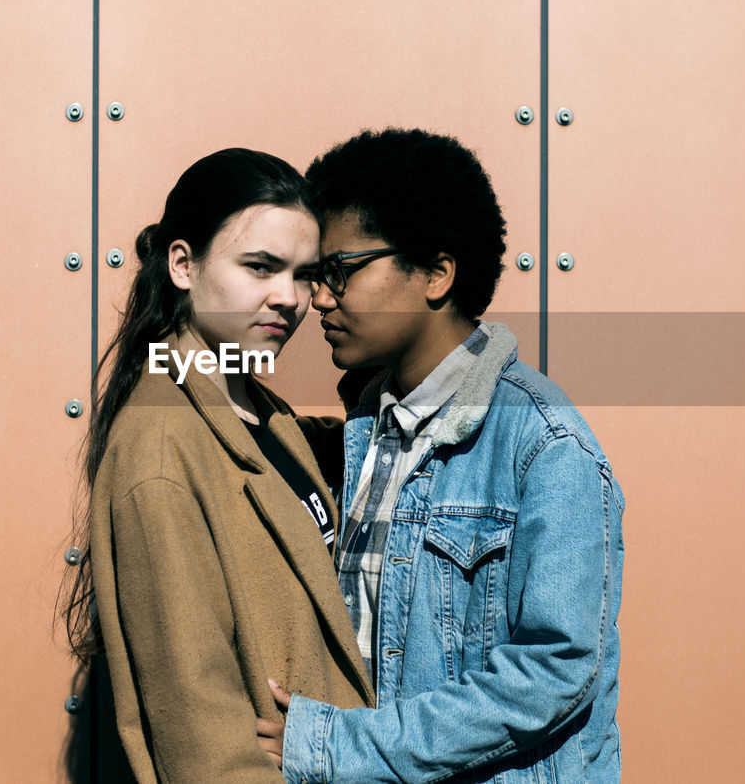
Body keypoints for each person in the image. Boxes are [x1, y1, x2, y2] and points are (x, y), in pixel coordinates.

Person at [257, 128, 625, 782]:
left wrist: (333, 745)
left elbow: (552, 670)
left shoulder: (543, 445)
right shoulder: (365, 431)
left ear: (436, 272)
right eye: (318, 275)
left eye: (339, 271)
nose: (318, 297)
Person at [62, 148, 373, 782]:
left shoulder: (254, 405)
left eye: (304, 275)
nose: (289, 299)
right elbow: (196, 718)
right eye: (259, 267)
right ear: (183, 264)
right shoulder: (159, 450)